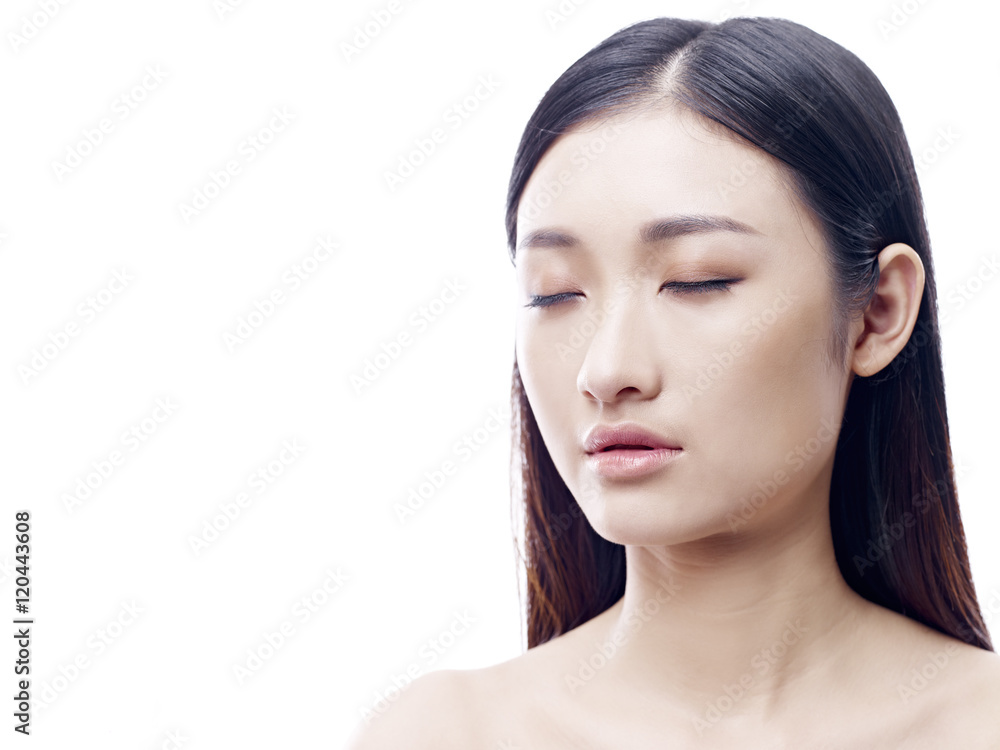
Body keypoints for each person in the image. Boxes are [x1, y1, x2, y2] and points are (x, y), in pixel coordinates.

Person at [348, 15, 1000, 747]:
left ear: (879, 313)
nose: (607, 371)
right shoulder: (446, 733)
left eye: (698, 281)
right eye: (553, 293)